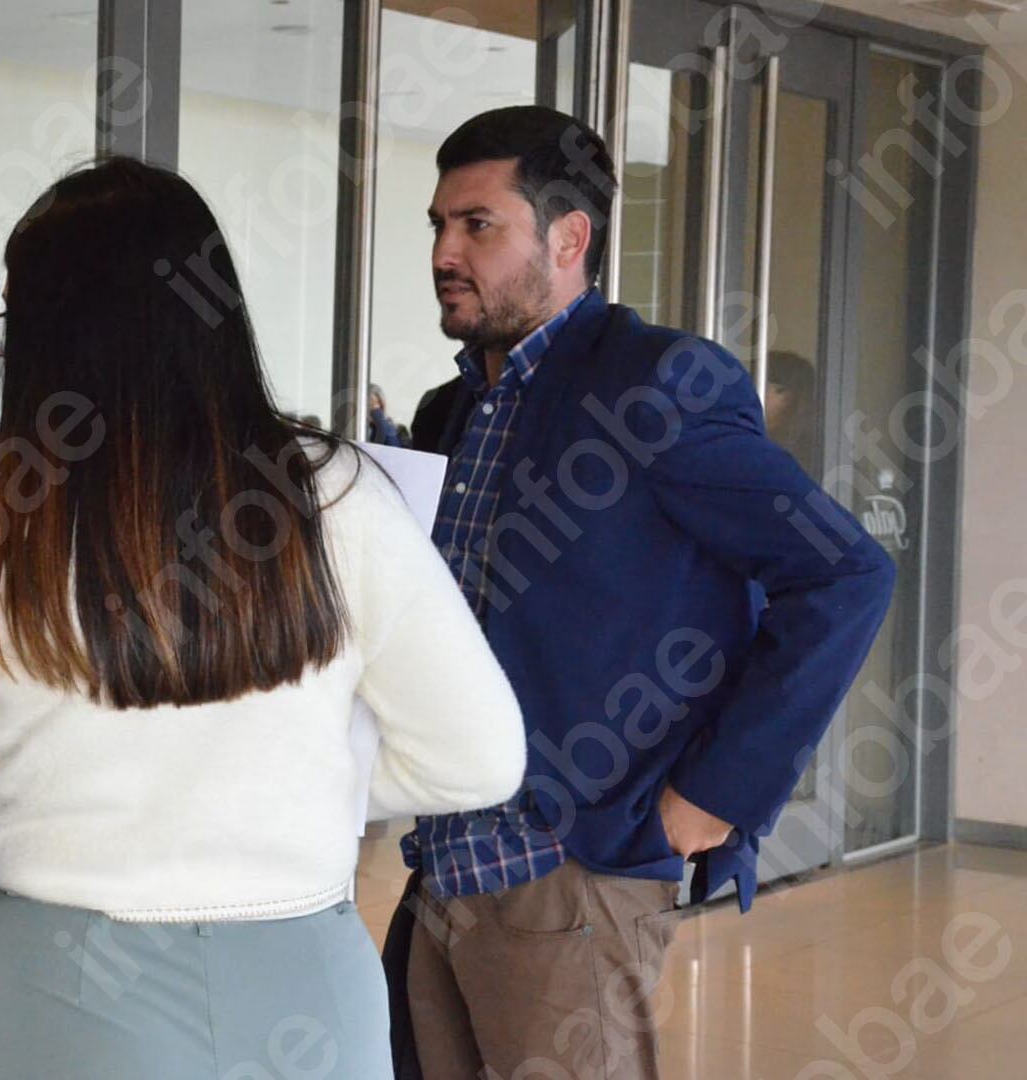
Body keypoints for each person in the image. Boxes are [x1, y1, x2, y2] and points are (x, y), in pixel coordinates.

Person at [0, 157, 527, 1078]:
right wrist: (299, 781)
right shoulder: (339, 497)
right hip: (305, 982)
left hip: (62, 990)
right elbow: (481, 756)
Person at [382, 106, 896, 1079]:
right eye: (437, 226)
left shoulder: (655, 384)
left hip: (571, 878)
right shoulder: (451, 410)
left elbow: (843, 573)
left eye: (477, 224)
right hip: (442, 864)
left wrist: (714, 797)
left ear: (569, 238)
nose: (446, 251)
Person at [763, 349, 820, 471]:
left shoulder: (815, 452)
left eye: (766, 386)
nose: (755, 393)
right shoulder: (745, 435)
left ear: (787, 396)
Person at [366, 383, 405, 447]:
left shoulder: (390, 428)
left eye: (378, 403)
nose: (376, 408)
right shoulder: (359, 430)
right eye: (371, 404)